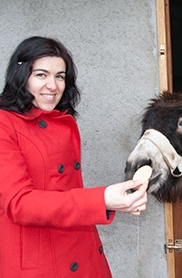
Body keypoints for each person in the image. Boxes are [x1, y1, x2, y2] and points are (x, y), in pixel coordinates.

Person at [0, 36, 148, 277]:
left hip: (81, 249)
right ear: (21, 75)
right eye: (41, 75)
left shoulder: (62, 121)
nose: (53, 86)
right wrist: (101, 200)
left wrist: (115, 199)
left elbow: (66, 194)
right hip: (39, 262)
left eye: (60, 76)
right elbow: (20, 204)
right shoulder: (4, 123)